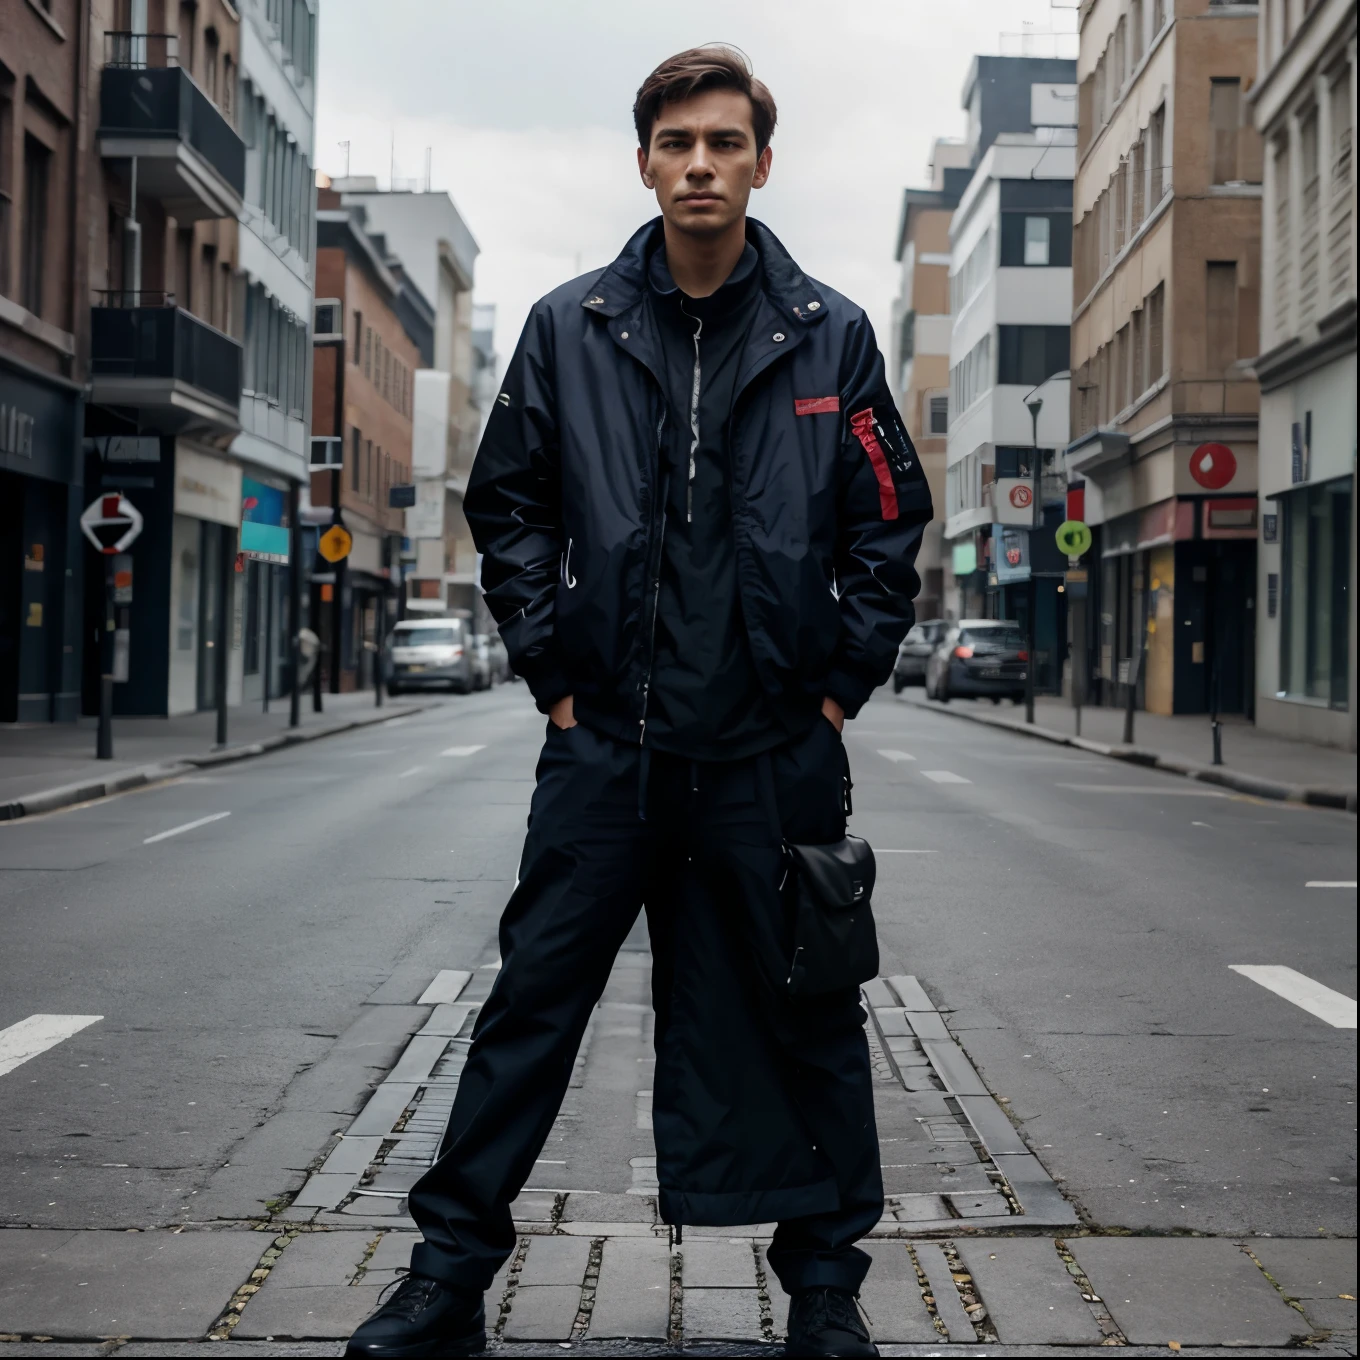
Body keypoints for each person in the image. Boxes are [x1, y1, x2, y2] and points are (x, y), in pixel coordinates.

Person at [346, 44, 930, 1360]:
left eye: (727, 143)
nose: (702, 165)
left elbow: (888, 524)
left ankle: (827, 1293)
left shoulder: (831, 332)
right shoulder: (572, 327)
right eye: (679, 144)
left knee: (810, 1017)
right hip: (610, 749)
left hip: (775, 758)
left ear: (762, 164)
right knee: (529, 1010)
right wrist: (554, 673)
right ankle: (446, 1283)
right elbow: (507, 501)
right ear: (647, 163)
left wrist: (836, 690)